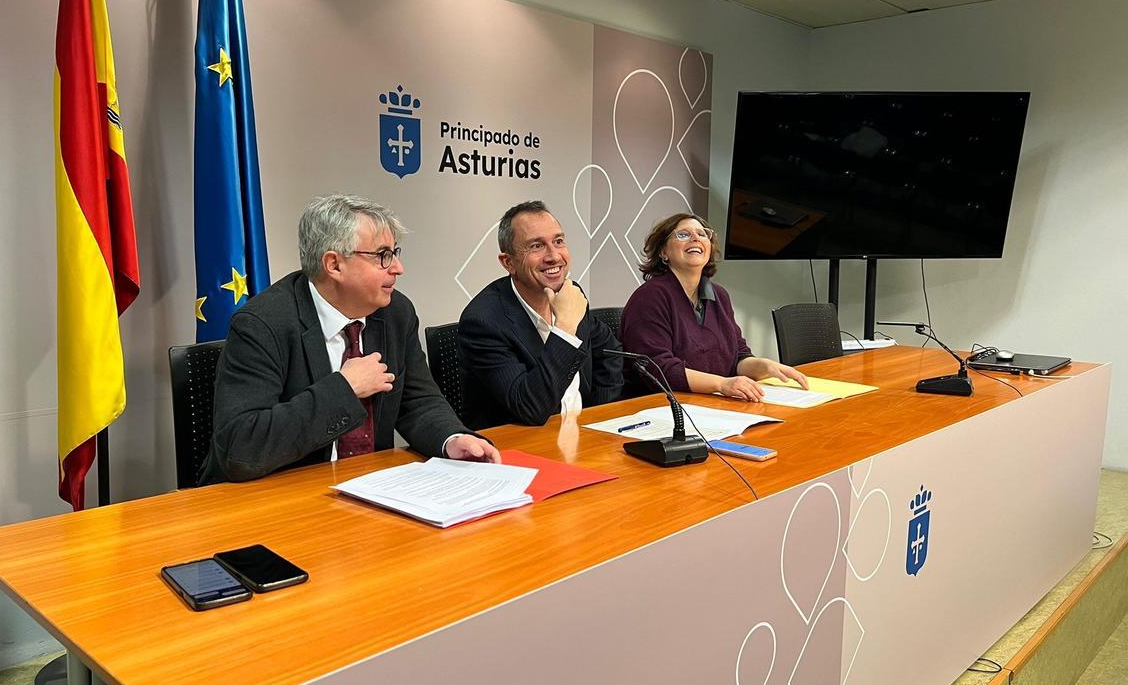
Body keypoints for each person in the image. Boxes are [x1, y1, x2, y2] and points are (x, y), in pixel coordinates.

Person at [201, 195, 499, 484]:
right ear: (334, 265)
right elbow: (241, 446)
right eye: (383, 256)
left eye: (395, 253)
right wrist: (345, 388)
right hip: (277, 493)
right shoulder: (263, 323)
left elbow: (418, 401)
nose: (398, 267)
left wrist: (452, 438)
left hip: (368, 488)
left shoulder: (396, 313)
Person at [458, 200, 623, 429]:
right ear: (508, 262)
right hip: (523, 443)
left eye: (558, 241)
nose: (554, 256)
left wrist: (598, 416)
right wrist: (565, 327)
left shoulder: (571, 293)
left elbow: (609, 351)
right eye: (537, 246)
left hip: (585, 435)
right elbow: (530, 408)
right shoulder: (483, 322)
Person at [620, 212, 808, 400]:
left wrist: (765, 366)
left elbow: (738, 357)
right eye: (683, 234)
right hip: (660, 405)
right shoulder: (649, 297)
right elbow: (657, 369)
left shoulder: (719, 295)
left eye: (702, 234)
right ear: (663, 252)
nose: (695, 238)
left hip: (712, 402)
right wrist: (722, 384)